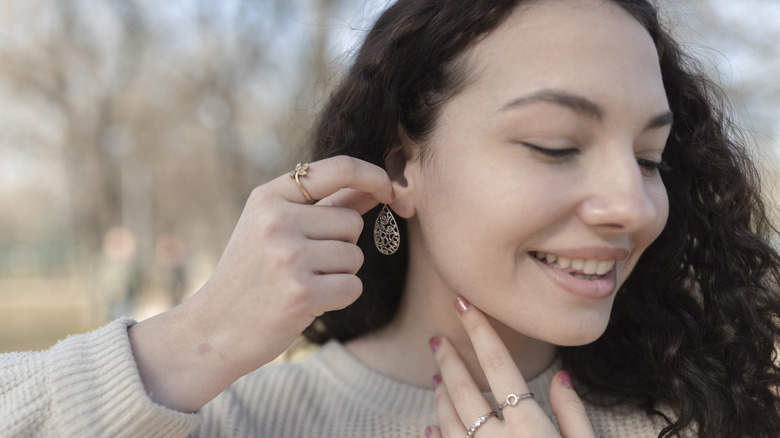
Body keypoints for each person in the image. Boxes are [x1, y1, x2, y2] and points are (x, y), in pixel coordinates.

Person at [2, 0, 780, 436]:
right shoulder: (223, 423)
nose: (632, 204)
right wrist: (197, 339)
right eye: (555, 145)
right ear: (404, 164)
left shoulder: (710, 420)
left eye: (650, 157)